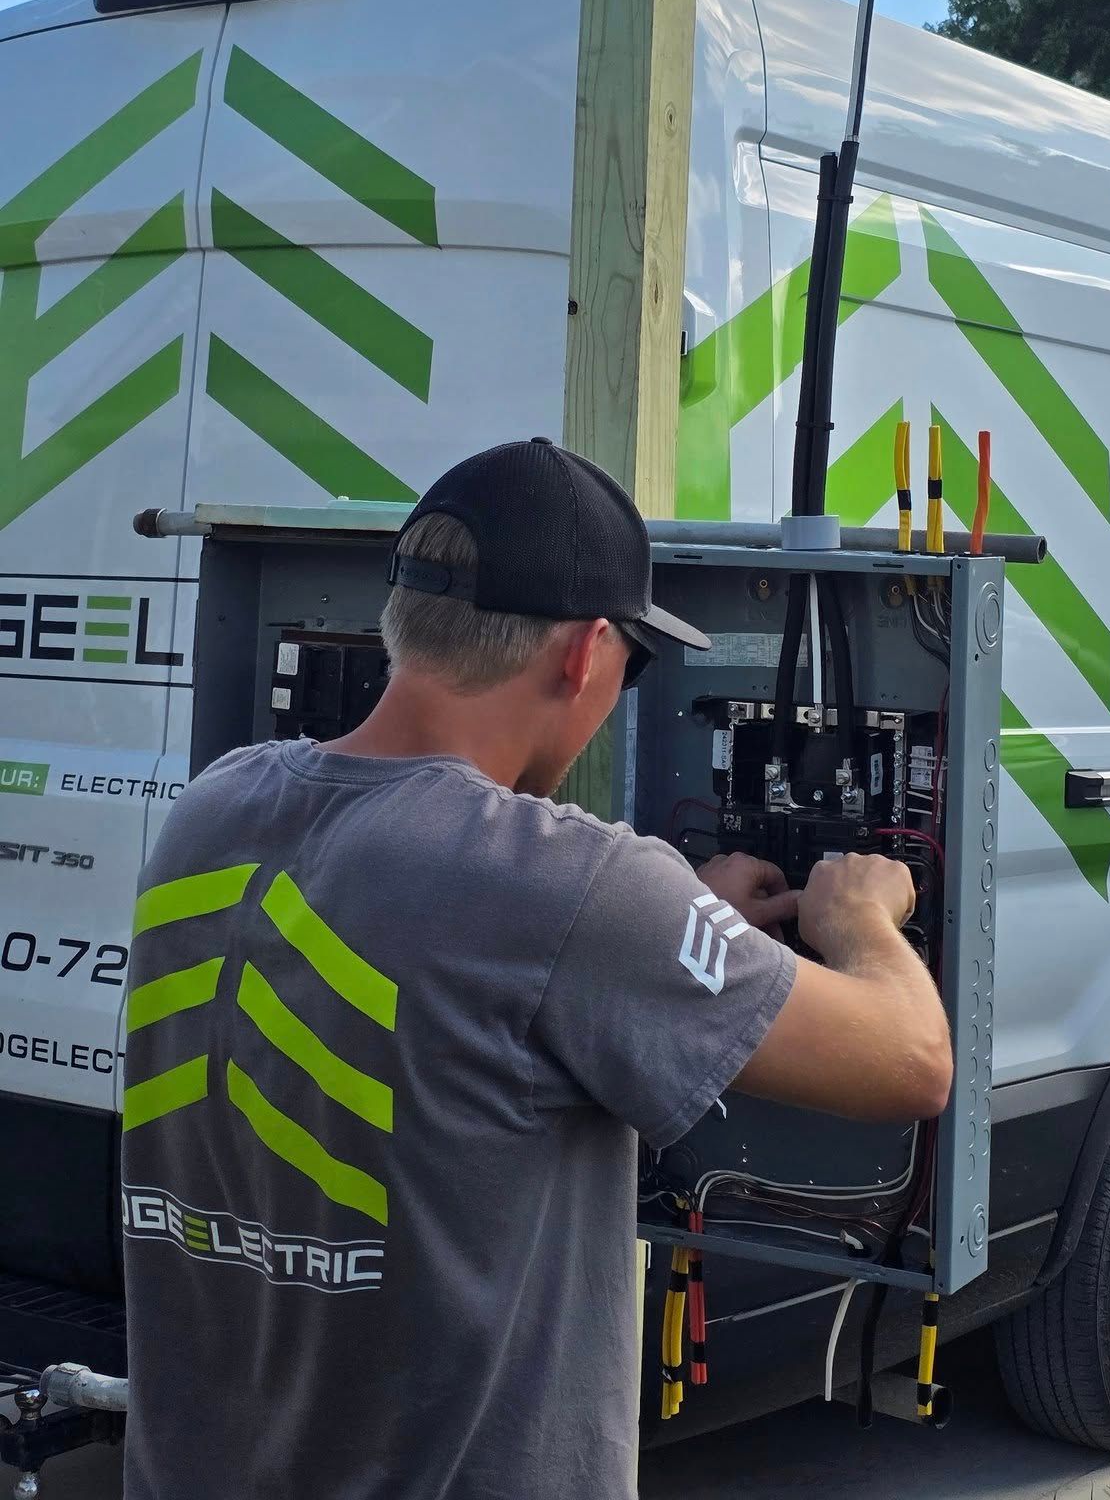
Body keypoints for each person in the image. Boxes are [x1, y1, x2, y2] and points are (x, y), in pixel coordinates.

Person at [120, 438, 951, 1500]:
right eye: (633, 663)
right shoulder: (572, 886)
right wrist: (864, 918)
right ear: (585, 652)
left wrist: (679, 914)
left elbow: (445, 945)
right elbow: (912, 1057)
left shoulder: (210, 810)